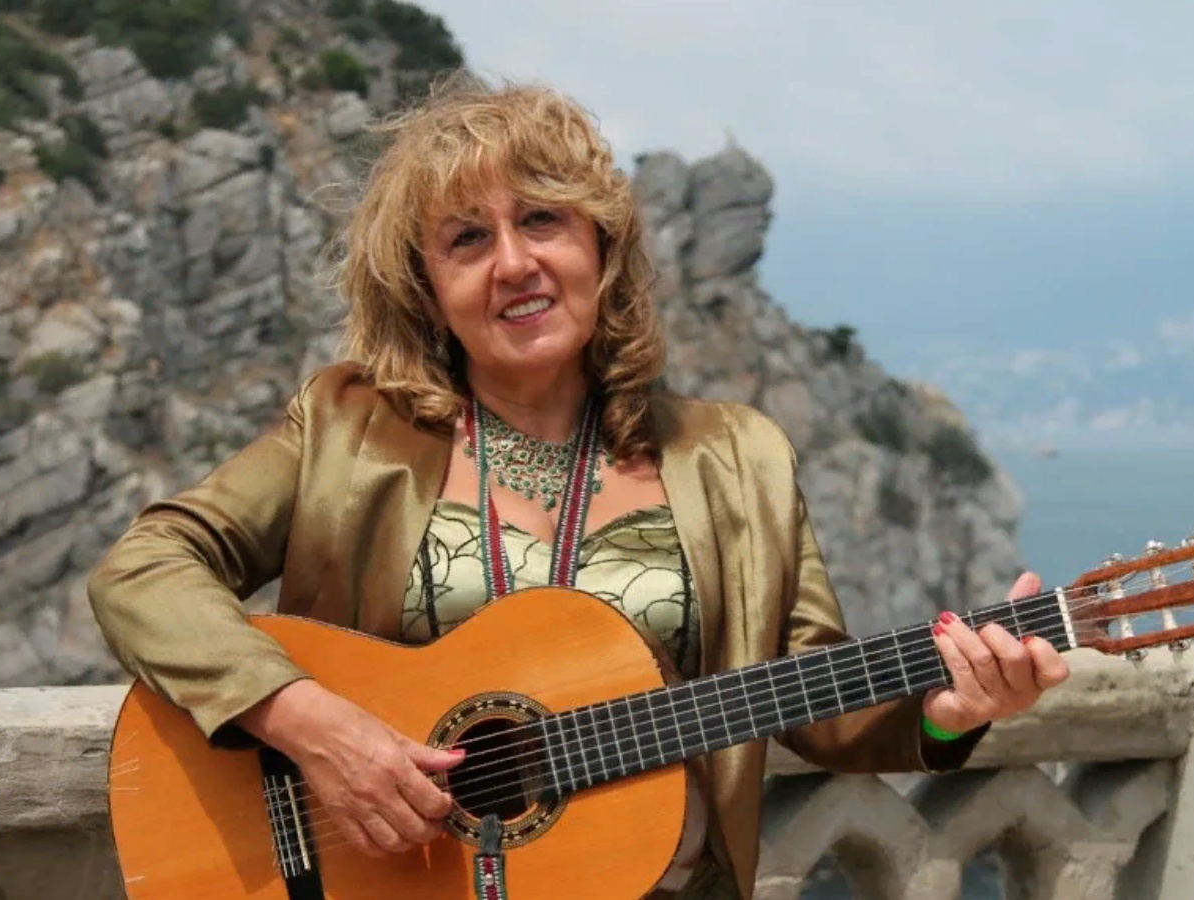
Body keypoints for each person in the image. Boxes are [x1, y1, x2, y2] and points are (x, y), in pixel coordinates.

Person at [86, 73, 1070, 900]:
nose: (514, 263)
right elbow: (143, 569)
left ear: (601, 246)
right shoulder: (347, 430)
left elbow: (814, 692)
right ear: (426, 288)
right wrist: (310, 721)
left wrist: (950, 709)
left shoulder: (738, 458)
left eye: (542, 220)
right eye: (466, 240)